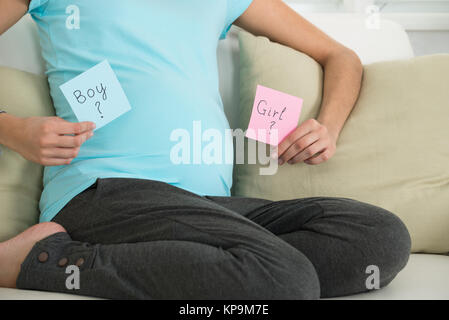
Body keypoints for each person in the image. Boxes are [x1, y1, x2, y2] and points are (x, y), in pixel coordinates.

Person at [0, 0, 411, 299]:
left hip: (207, 207)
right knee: (287, 279)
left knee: (379, 236)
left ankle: (215, 266)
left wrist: (328, 127)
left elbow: (340, 56)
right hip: (104, 193)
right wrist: (13, 129)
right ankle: (42, 261)